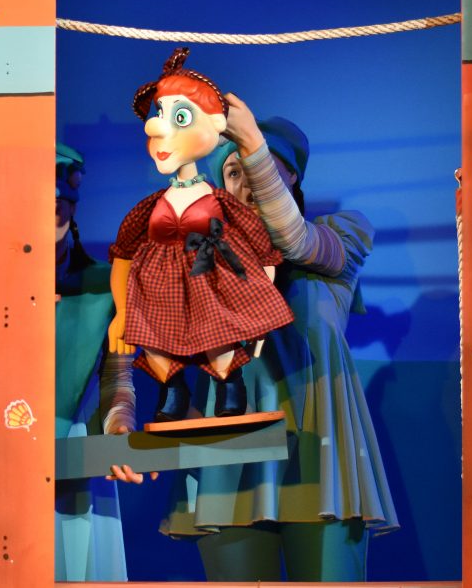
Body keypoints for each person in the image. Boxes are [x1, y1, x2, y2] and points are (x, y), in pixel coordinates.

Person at [161, 98, 398, 582]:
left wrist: (250, 142)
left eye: (261, 165)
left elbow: (293, 240)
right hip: (229, 456)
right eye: (232, 172)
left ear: (291, 177)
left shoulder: (341, 236)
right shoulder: (205, 260)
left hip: (319, 455)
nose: (246, 180)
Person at [108, 48, 292, 422]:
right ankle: (173, 392)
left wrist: (257, 312)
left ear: (214, 125)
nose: (158, 128)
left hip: (210, 288)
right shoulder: (149, 207)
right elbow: (123, 255)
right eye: (160, 116)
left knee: (219, 342)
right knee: (157, 346)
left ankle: (229, 387)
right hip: (159, 294)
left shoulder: (219, 201)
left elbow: (261, 251)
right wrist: (123, 311)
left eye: (179, 117)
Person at [54, 143, 135, 581]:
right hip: (1, 451)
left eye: (58, 203)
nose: (48, 212)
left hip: (80, 447)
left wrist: (119, 430)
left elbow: (117, 377)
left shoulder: (105, 284)